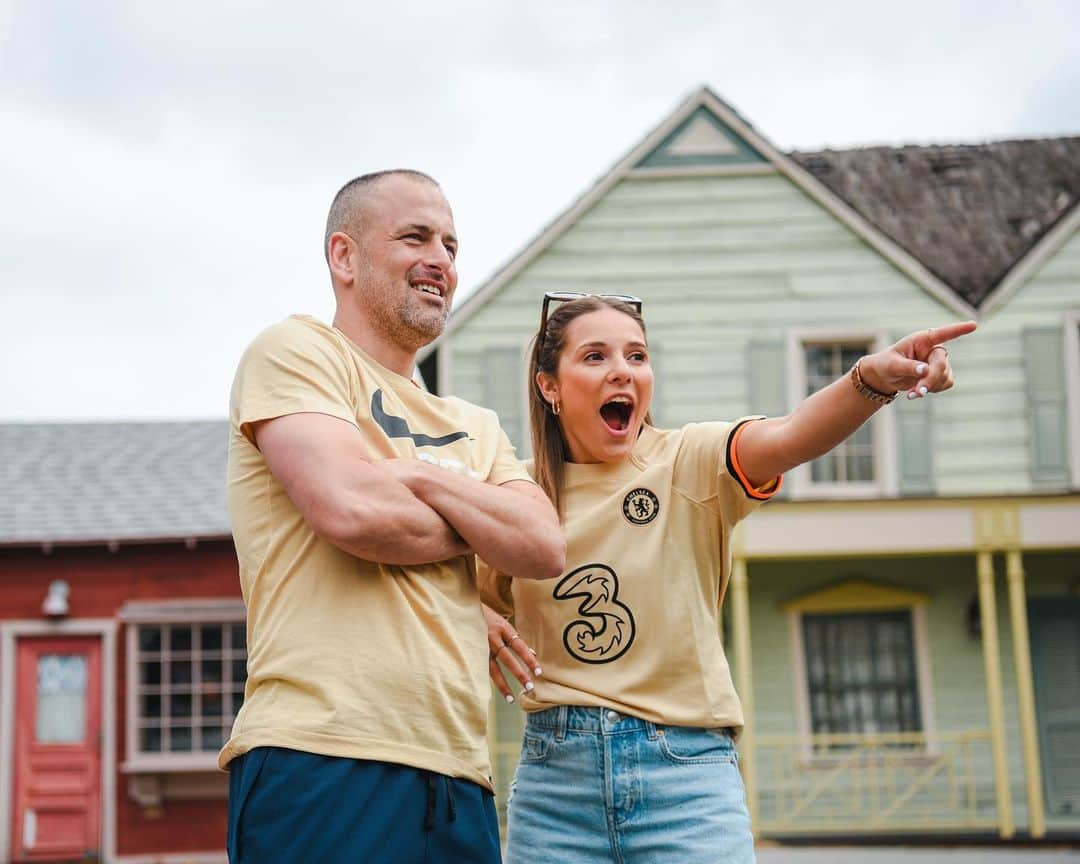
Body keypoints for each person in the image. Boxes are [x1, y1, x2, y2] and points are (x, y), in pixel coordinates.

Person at [480, 293, 974, 863]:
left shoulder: (690, 460)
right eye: (595, 357)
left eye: (637, 356)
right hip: (554, 788)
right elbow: (437, 588)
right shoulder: (516, 497)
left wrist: (871, 379)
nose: (622, 370)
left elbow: (792, 435)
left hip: (684, 778)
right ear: (550, 386)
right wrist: (478, 612)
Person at [220, 169, 565, 864]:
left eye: (451, 244)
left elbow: (541, 544)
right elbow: (352, 511)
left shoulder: (476, 423)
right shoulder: (296, 354)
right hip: (321, 755)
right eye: (415, 237)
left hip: (459, 776)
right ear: (344, 257)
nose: (441, 259)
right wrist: (475, 519)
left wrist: (409, 473)